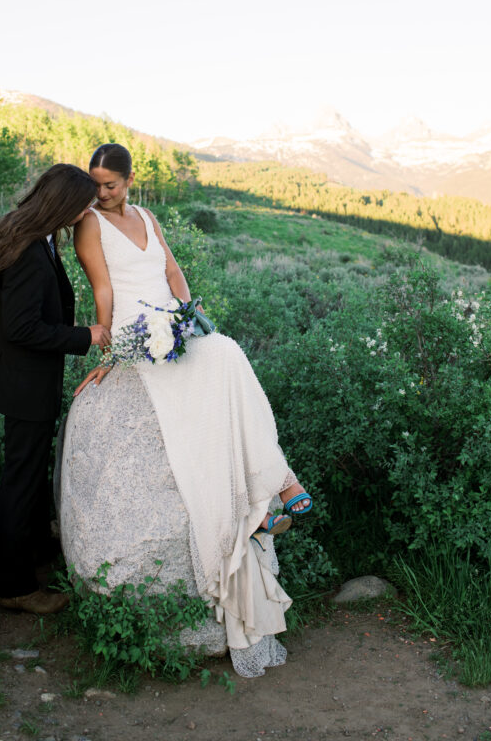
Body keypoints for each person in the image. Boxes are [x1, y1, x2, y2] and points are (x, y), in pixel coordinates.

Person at [71, 143, 312, 677]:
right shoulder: (88, 224)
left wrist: (186, 313)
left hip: (172, 327)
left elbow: (173, 273)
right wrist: (111, 350)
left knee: (226, 352)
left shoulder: (148, 217)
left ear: (131, 180)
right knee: (203, 385)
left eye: (110, 183)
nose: (101, 192)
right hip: (138, 337)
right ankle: (258, 505)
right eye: (95, 183)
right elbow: (103, 288)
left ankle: (278, 485)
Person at [0, 163, 109, 614]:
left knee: (25, 473)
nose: (89, 210)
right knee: (21, 479)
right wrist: (85, 335)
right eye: (83, 203)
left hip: (25, 378)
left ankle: (32, 555)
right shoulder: (29, 249)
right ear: (62, 203)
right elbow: (23, 328)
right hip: (22, 381)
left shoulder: (33, 234)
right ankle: (15, 588)